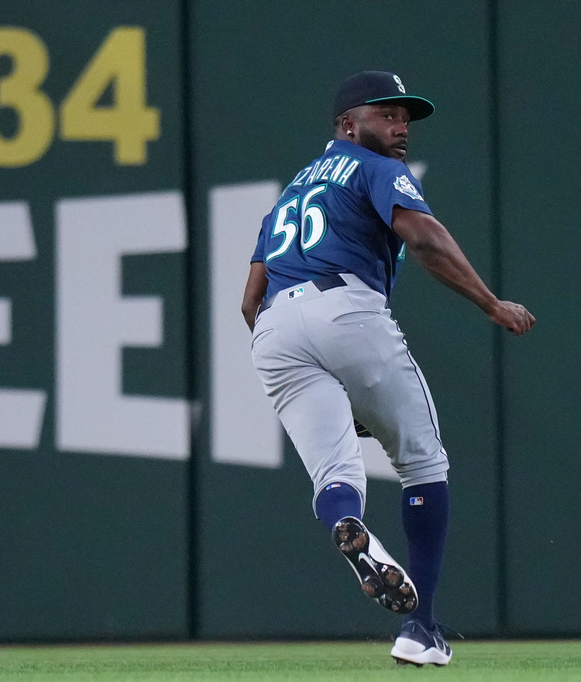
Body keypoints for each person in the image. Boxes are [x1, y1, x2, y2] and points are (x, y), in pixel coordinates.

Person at [240, 71, 535, 666]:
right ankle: (420, 629)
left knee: (335, 475)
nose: (401, 126)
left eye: (406, 116)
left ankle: (354, 528)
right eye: (387, 114)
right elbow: (421, 235)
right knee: (423, 464)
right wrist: (490, 302)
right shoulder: (371, 167)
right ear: (349, 125)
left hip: (273, 329)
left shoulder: (293, 191)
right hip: (346, 307)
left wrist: (314, 364)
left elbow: (249, 300)